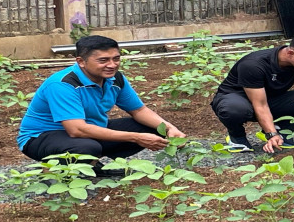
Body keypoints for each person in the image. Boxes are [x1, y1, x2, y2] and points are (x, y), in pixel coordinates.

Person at [17, 35, 185, 172]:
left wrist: (170, 128)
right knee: (87, 147)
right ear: (81, 61)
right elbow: (77, 130)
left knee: (153, 127)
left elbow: (139, 110)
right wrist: (136, 137)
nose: (112, 65)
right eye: (103, 60)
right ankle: (53, 172)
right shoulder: (63, 84)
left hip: (85, 132)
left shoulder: (115, 79)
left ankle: (90, 165)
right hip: (41, 137)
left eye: (116, 58)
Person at [211, 32, 294, 154]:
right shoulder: (254, 64)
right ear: (291, 53)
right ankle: (237, 137)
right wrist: (271, 134)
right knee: (235, 109)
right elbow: (260, 105)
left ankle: (282, 130)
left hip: (270, 100)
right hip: (238, 100)